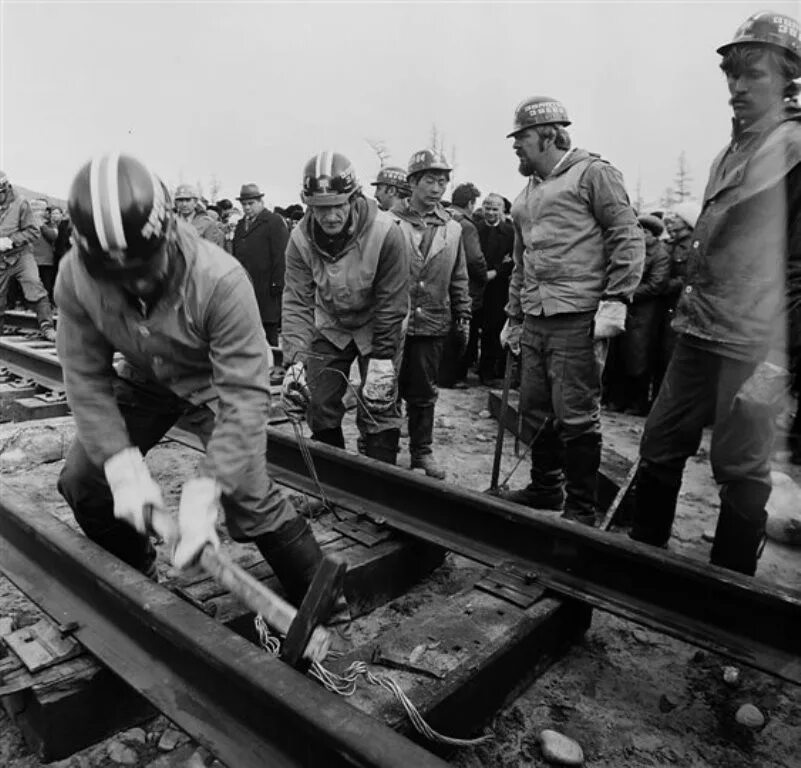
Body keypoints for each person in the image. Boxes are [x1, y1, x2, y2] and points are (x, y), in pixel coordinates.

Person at [54, 153, 336, 612]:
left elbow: (244, 400)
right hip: (145, 376)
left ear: (168, 233)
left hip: (211, 380)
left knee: (246, 487)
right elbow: (85, 378)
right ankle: (137, 569)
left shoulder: (220, 281)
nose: (138, 286)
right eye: (120, 279)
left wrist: (207, 489)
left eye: (147, 269)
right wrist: (122, 465)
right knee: (85, 479)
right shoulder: (76, 277)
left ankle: (319, 595)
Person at [629, 12, 801, 576]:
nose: (738, 87)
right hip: (700, 330)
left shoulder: (795, 151)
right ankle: (645, 565)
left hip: (757, 342)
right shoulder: (732, 151)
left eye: (753, 74)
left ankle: (729, 597)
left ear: (788, 78)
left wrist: (782, 361)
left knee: (742, 469)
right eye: (732, 74)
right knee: (658, 445)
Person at [498, 97, 644, 525]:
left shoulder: (593, 174)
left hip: (578, 318)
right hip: (536, 318)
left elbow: (626, 235)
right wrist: (513, 315)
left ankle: (580, 508)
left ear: (548, 135)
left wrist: (617, 298)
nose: (515, 147)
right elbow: (521, 261)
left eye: (521, 138)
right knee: (536, 408)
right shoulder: (526, 194)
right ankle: (546, 488)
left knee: (577, 415)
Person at [281, 151, 410, 464]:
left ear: (354, 198)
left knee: (379, 401)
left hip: (376, 323)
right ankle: (333, 482)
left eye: (338, 205)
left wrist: (381, 358)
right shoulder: (299, 239)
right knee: (316, 399)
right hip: (331, 324)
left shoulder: (386, 231)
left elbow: (392, 301)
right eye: (320, 208)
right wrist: (294, 361)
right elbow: (297, 301)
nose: (330, 217)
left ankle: (380, 487)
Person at [393, 149, 470, 479]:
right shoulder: (389, 222)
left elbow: (459, 275)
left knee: (424, 392)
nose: (437, 187)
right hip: (391, 322)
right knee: (384, 386)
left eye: (442, 181)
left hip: (432, 321)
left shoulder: (452, 229)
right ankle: (380, 448)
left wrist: (463, 312)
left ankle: (421, 452)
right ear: (412, 183)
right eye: (429, 180)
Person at [605, 214, 670, 415]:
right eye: (639, 229)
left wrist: (626, 292)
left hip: (645, 314)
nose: (641, 234)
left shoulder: (661, 255)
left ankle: (638, 403)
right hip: (628, 309)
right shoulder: (633, 250)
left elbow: (656, 284)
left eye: (646, 231)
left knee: (639, 359)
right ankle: (618, 400)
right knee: (619, 356)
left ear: (655, 235)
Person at [232, 183, 289, 373]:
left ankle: (275, 367)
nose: (247, 207)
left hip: (268, 284)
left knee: (269, 325)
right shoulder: (240, 226)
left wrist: (277, 283)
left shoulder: (273, 222)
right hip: (247, 284)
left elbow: (281, 255)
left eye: (251, 203)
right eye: (244, 204)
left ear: (260, 202)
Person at [439, 182, 488, 388]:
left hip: (441, 285)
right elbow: (474, 259)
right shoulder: (466, 226)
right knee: (460, 332)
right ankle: (453, 377)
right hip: (463, 286)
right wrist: (486, 274)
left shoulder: (443, 217)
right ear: (470, 203)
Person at [0, 172, 56, 340]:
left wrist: (11, 240)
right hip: (1, 260)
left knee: (33, 284)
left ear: (5, 189)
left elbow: (33, 231)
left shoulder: (20, 203)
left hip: (20, 255)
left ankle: (47, 327)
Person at [654, 200, 701, 394]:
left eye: (677, 218)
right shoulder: (666, 245)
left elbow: (691, 278)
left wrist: (665, 285)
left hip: (679, 306)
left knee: (670, 353)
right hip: (661, 306)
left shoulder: (694, 247)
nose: (670, 221)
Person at [476, 193, 515, 386]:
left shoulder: (510, 232)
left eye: (495, 209)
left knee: (493, 329)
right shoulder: (475, 229)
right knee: (473, 325)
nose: (490, 212)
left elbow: (513, 259)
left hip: (498, 287)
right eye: (487, 208)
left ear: (502, 211)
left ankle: (488, 373)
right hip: (475, 284)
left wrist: (497, 271)